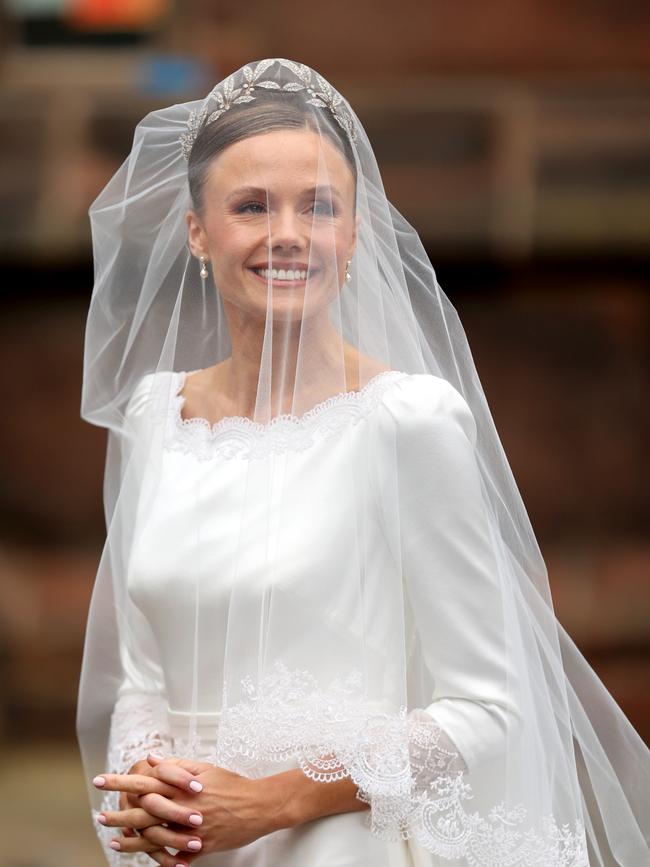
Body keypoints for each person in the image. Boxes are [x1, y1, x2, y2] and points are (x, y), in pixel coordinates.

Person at [77, 59, 650, 867]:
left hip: (342, 843)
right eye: (251, 206)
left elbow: (489, 705)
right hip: (191, 848)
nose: (288, 233)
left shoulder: (408, 423)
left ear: (352, 234)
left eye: (319, 207)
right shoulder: (154, 417)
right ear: (197, 231)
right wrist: (157, 787)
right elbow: (141, 671)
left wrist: (273, 800)